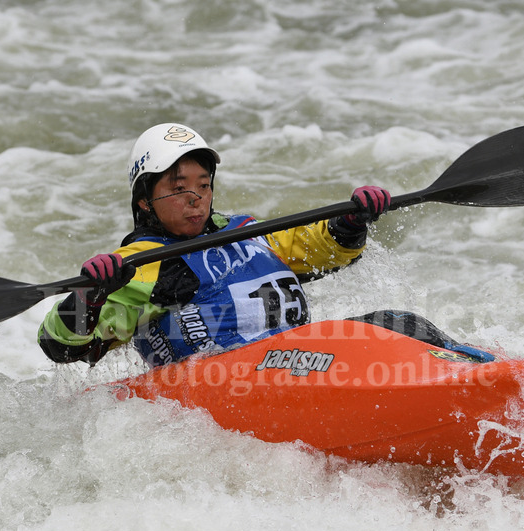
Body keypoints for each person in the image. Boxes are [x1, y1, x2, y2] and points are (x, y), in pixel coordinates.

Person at [37, 122, 392, 366]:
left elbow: (321, 250)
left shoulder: (244, 229)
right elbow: (58, 345)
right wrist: (89, 297)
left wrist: (350, 222)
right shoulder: (142, 263)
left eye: (203, 185)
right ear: (145, 200)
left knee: (395, 323)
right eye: (178, 188)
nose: (196, 198)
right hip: (227, 383)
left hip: (298, 361)